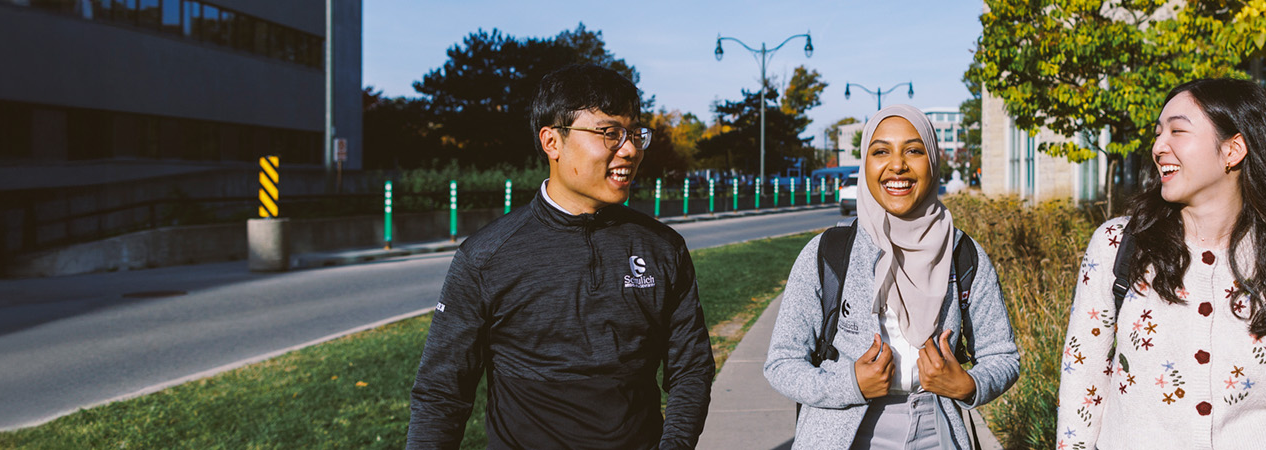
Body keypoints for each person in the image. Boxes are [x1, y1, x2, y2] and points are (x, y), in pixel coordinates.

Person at [406, 64, 713, 450]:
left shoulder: (662, 247)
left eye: (634, 133)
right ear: (552, 142)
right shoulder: (486, 257)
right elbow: (441, 394)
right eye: (610, 133)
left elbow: (691, 368)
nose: (631, 149)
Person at [1055, 78, 1266, 449]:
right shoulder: (1119, 246)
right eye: (1158, 132)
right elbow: (1082, 386)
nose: (1158, 146)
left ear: (1233, 150)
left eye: (1177, 131)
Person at [764, 105, 1020, 449]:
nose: (897, 165)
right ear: (865, 165)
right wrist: (850, 384)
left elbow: (1002, 356)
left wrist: (968, 386)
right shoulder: (828, 252)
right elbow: (781, 362)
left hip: (937, 430)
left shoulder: (963, 254)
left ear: (933, 162)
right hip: (840, 434)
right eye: (881, 151)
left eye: (913, 151)